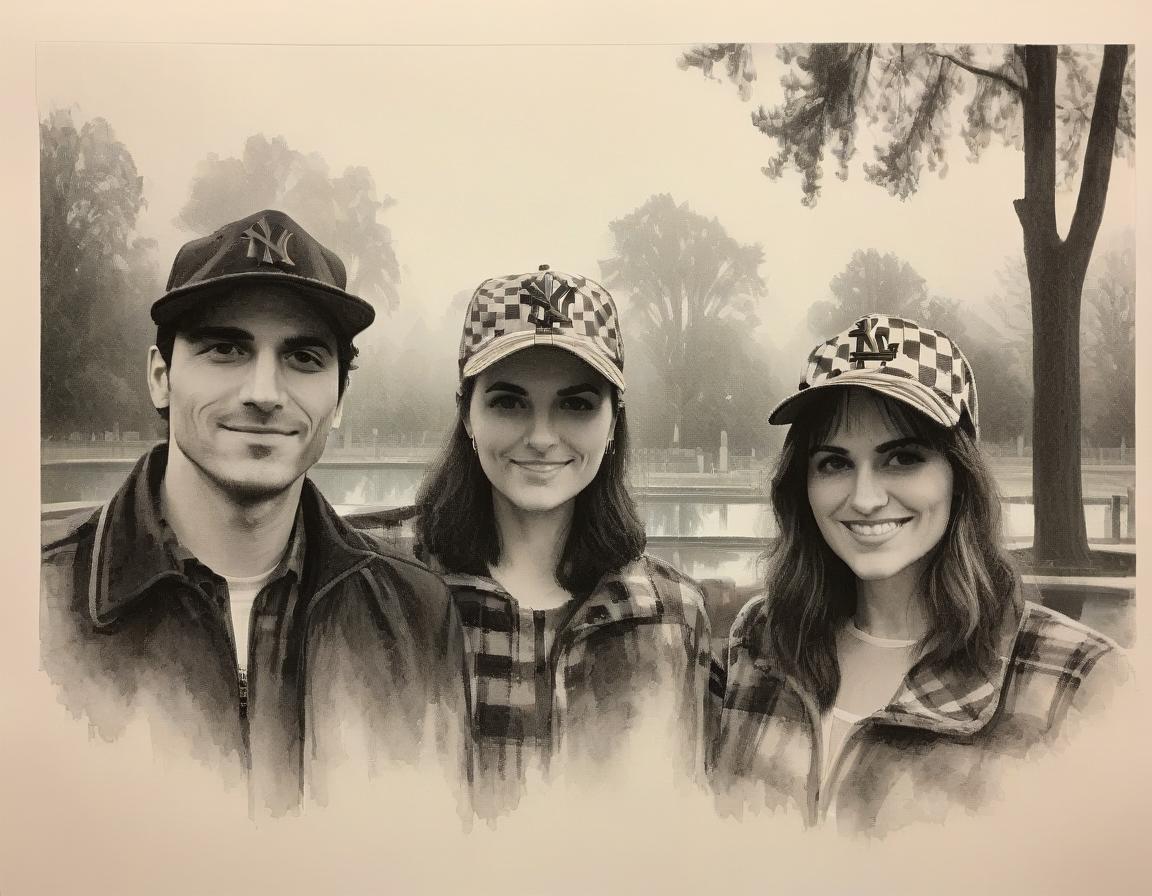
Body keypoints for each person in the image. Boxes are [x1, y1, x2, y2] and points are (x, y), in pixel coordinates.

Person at [40, 210, 472, 814]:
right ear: (161, 378)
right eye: (225, 348)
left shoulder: (416, 619)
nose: (265, 393)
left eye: (303, 358)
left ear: (339, 400)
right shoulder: (37, 605)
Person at [711, 313, 1127, 835]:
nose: (864, 499)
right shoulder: (763, 640)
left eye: (903, 458)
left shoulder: (1076, 677)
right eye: (834, 463)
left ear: (960, 476)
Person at [350, 265, 715, 815]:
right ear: (467, 413)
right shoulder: (373, 578)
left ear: (614, 421)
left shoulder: (672, 613)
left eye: (576, 404)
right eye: (509, 402)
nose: (542, 438)